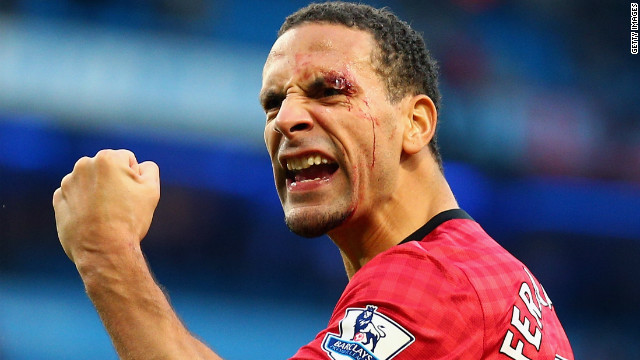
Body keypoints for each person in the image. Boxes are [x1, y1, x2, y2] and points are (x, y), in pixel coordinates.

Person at [52, 2, 574, 359]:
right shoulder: (492, 274)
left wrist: (104, 250)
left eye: (328, 91)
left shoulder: (431, 284)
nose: (286, 120)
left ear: (415, 124)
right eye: (273, 103)